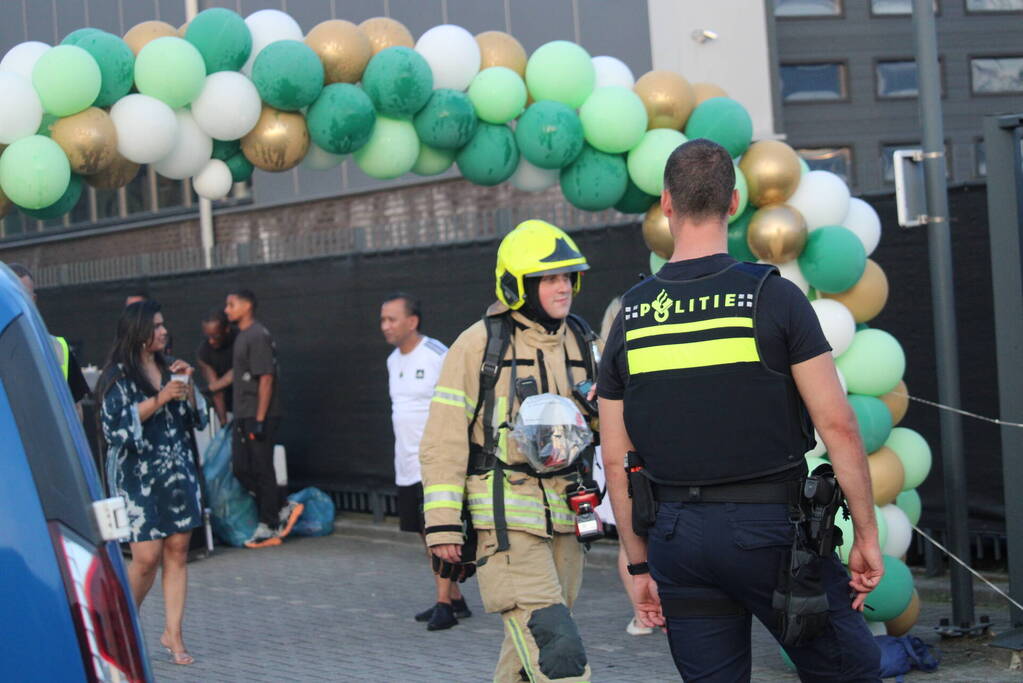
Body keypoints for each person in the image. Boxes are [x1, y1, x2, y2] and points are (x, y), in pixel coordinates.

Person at [598, 139, 884, 681]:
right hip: (771, 532)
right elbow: (838, 426)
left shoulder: (630, 317)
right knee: (851, 669)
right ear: (733, 203)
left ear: (666, 204)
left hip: (676, 538)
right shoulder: (772, 297)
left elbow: (617, 458)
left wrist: (637, 562)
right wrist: (866, 536)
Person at [420, 219, 600, 683]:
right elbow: (443, 438)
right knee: (557, 651)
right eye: (550, 278)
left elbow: (606, 425)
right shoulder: (478, 345)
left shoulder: (581, 341)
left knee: (526, 651)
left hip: (566, 515)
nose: (564, 287)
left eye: (568, 276)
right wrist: (442, 525)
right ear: (518, 284)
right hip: (506, 522)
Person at [95, 300, 207, 666]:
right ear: (139, 331)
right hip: (138, 478)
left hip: (176, 472)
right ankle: (119, 622)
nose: (163, 331)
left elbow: (198, 418)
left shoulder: (169, 367)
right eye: (156, 326)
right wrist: (159, 398)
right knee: (146, 557)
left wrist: (187, 388)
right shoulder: (117, 376)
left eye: (163, 325)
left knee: (177, 550)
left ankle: (173, 634)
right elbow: (115, 427)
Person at [380, 293, 470, 631]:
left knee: (438, 533)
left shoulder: (436, 354)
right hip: (405, 465)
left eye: (391, 319)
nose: (385, 326)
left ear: (412, 321)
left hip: (434, 465)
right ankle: (456, 599)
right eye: (383, 320)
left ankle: (444, 604)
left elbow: (460, 403)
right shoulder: (392, 361)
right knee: (424, 534)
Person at [592, 295, 653, 637]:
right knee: (641, 537)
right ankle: (648, 612)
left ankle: (643, 614)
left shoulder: (602, 359)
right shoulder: (622, 359)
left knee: (629, 539)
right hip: (631, 458)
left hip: (619, 458)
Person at [224, 289, 302, 549]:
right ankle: (280, 507)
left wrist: (259, 419)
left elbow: (266, 378)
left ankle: (268, 524)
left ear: (247, 307)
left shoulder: (257, 335)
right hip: (243, 413)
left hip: (260, 415)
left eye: (231, 304)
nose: (227, 310)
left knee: (262, 467)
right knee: (241, 468)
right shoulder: (242, 336)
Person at [10, 263, 92, 415]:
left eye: (24, 296)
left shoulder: (58, 348)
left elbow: (76, 410)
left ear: (34, 300)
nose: (19, 303)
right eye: (13, 297)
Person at [196, 308, 236, 427]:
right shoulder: (204, 352)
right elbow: (217, 391)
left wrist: (208, 389)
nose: (211, 341)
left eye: (216, 336)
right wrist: (223, 422)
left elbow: (239, 370)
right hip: (228, 406)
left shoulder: (241, 340)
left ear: (227, 329)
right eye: (208, 337)